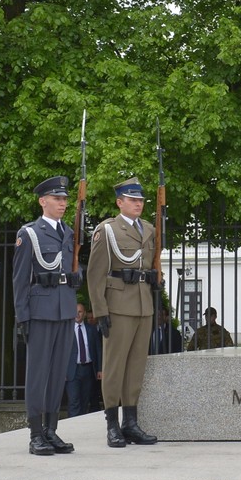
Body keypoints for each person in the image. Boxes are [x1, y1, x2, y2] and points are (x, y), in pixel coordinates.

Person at [13, 175, 82, 456]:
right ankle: (35, 433)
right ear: (43, 201)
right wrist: (22, 317)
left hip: (65, 309)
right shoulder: (29, 233)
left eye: (65, 199)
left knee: (57, 374)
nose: (62, 203)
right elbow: (19, 280)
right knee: (38, 374)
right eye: (57, 199)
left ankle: (52, 429)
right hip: (40, 311)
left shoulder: (69, 232)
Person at [89, 176, 159, 448]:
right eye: (132, 200)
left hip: (143, 305)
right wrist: (100, 311)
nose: (138, 204)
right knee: (114, 366)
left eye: (140, 200)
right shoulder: (107, 231)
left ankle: (131, 422)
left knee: (136, 367)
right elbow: (95, 274)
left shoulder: (150, 230)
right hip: (118, 305)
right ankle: (112, 424)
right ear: (120, 202)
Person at [65, 301, 102, 418]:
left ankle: (81, 426)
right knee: (74, 401)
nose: (77, 314)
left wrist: (100, 369)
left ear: (84, 313)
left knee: (85, 401)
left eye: (80, 312)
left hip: (88, 369)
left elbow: (98, 350)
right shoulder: (66, 330)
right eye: (75, 312)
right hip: (72, 371)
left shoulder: (91, 329)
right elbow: (61, 352)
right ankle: (73, 427)